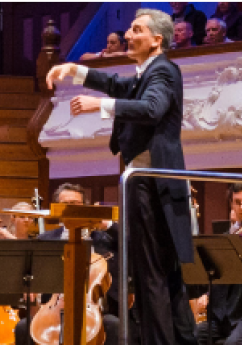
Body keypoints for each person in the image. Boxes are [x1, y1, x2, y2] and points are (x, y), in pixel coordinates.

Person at [46, 8, 196, 344]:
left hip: (150, 183)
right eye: (129, 29)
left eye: (136, 29)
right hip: (149, 183)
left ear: (157, 40)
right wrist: (75, 70)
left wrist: (100, 106)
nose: (128, 34)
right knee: (164, 275)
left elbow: (152, 109)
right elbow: (116, 83)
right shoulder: (149, 72)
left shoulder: (163, 71)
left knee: (152, 274)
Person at [14, 183, 138, 345]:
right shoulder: (45, 240)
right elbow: (29, 275)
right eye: (65, 205)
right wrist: (29, 288)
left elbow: (134, 245)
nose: (71, 209)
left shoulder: (105, 238)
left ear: (85, 207)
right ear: (57, 209)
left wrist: (107, 225)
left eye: (76, 204)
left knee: (114, 326)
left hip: (98, 309)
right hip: (53, 310)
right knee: (23, 327)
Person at [194, 183, 242, 344]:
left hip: (240, 317)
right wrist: (207, 295)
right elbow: (219, 273)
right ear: (231, 204)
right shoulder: (225, 238)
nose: (241, 207)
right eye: (237, 202)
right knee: (191, 335)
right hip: (222, 319)